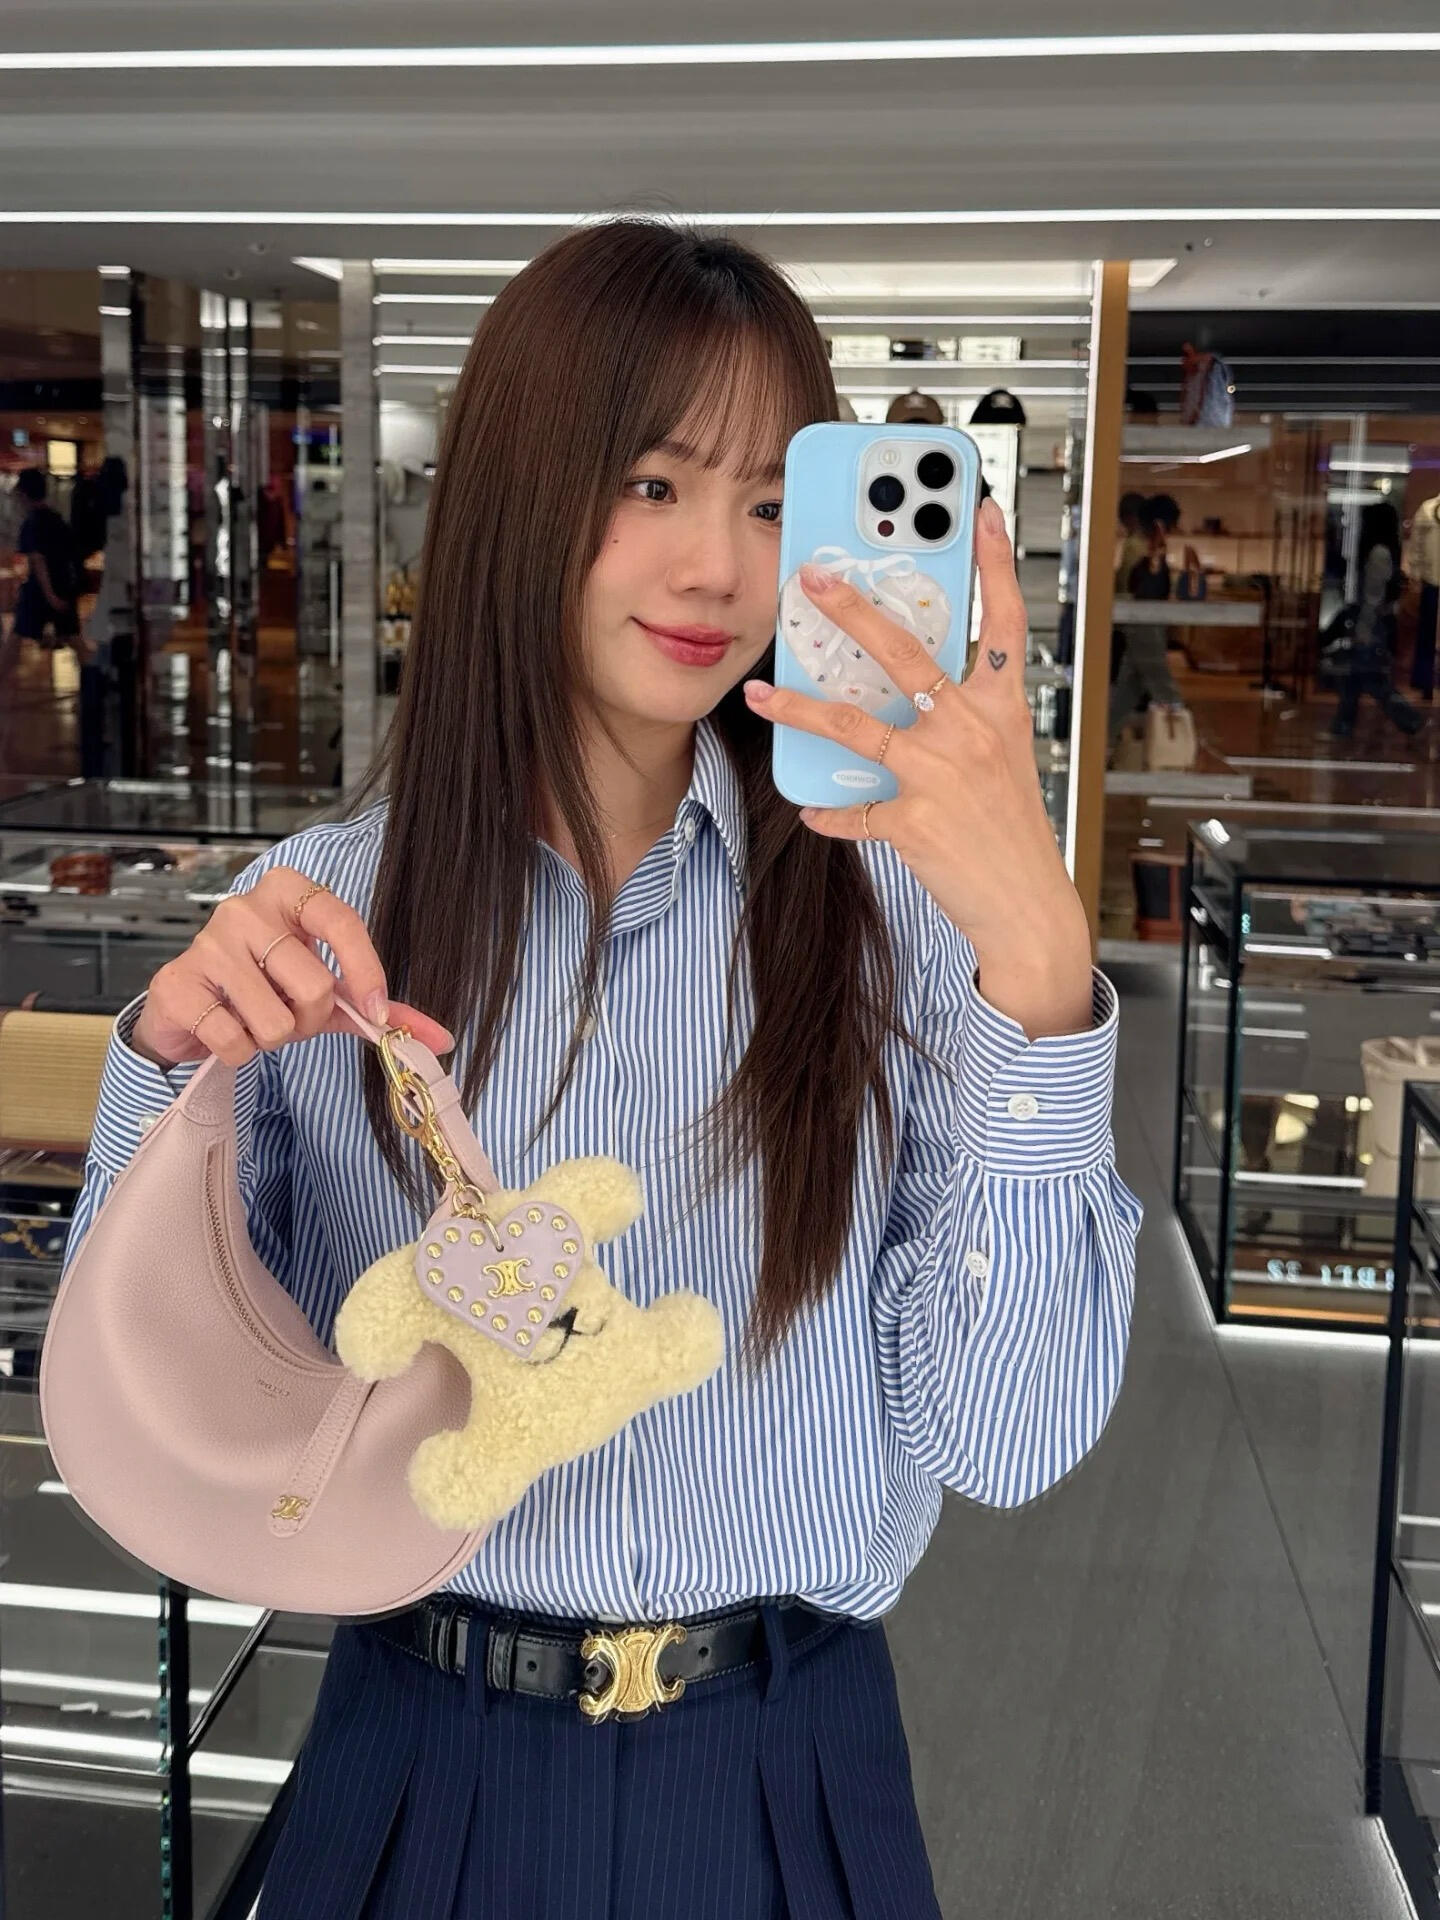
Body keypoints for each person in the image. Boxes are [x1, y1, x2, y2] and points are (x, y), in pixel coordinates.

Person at [65, 220, 1142, 1920]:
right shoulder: (326, 920)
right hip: (422, 1752)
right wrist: (168, 1062)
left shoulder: (903, 924)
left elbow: (1006, 1436)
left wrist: (1036, 957)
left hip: (786, 1764)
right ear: (523, 493)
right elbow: (134, 1418)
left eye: (775, 501)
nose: (719, 565)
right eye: (653, 484)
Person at [1330, 500, 1422, 738]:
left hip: (1372, 624)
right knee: (1359, 677)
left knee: (1369, 678)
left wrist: (1363, 628)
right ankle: (1344, 723)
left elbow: (1373, 597)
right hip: (1376, 623)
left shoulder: (1377, 553)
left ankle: (1408, 719)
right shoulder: (1385, 551)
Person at [1108, 493, 1190, 750]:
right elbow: (1140, 589)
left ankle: (1103, 739)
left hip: (1137, 624)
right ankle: (1179, 744)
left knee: (1128, 690)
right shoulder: (1145, 549)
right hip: (1144, 625)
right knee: (1162, 685)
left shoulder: (1140, 545)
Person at [0, 467, 86, 686]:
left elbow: (38, 561)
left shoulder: (32, 524)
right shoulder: (56, 519)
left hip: (40, 591)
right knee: (74, 638)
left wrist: (50, 595)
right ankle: (97, 683)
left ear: (23, 494)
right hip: (62, 585)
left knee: (15, 639)